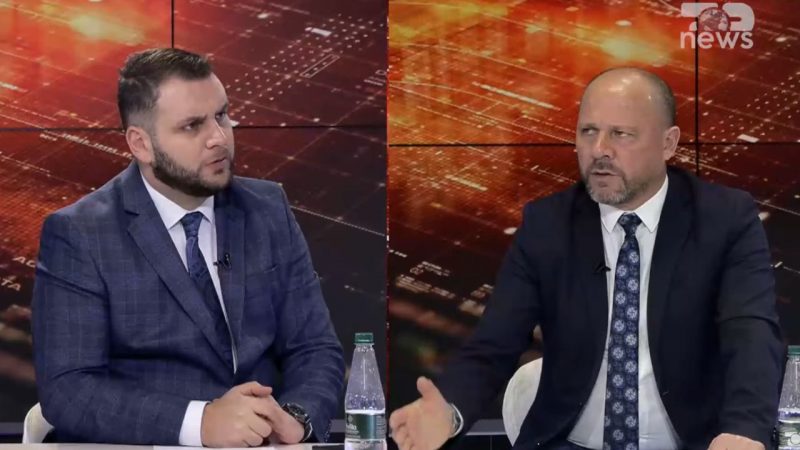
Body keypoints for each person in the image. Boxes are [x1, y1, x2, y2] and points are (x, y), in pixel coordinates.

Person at [389, 67, 783, 450]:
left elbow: (751, 331)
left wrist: (744, 430)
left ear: (668, 143)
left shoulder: (724, 219)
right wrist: (450, 412)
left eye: (621, 134)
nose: (599, 150)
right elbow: (495, 344)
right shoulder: (548, 224)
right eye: (588, 131)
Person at [32, 48, 345, 447]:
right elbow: (68, 390)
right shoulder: (81, 233)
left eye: (222, 115)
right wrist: (201, 423)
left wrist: (296, 419)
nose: (219, 138)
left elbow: (315, 348)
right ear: (141, 144)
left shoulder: (267, 209)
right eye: (193, 126)